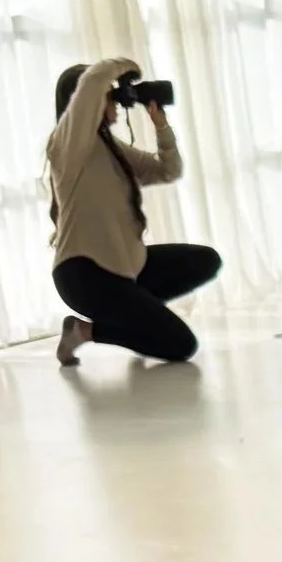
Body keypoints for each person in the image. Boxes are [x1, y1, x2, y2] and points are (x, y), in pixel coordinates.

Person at [48, 58, 221, 364]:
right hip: (85, 276)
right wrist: (126, 67)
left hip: (126, 269)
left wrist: (161, 125)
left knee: (205, 261)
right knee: (181, 345)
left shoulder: (111, 148)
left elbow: (169, 170)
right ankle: (84, 331)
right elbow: (93, 81)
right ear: (85, 105)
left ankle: (136, 318)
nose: (115, 99)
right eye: (109, 94)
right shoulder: (66, 146)